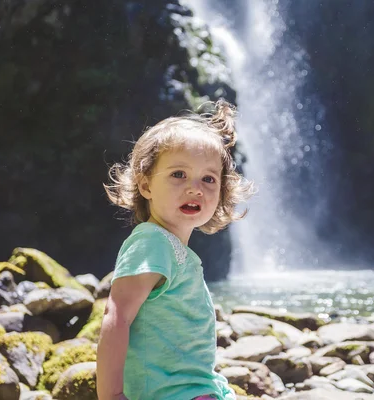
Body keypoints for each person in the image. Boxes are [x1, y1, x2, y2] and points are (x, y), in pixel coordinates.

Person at [96, 99, 255, 400]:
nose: (195, 188)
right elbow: (116, 316)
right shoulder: (152, 243)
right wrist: (111, 394)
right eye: (178, 174)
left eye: (208, 178)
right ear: (145, 186)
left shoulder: (171, 248)